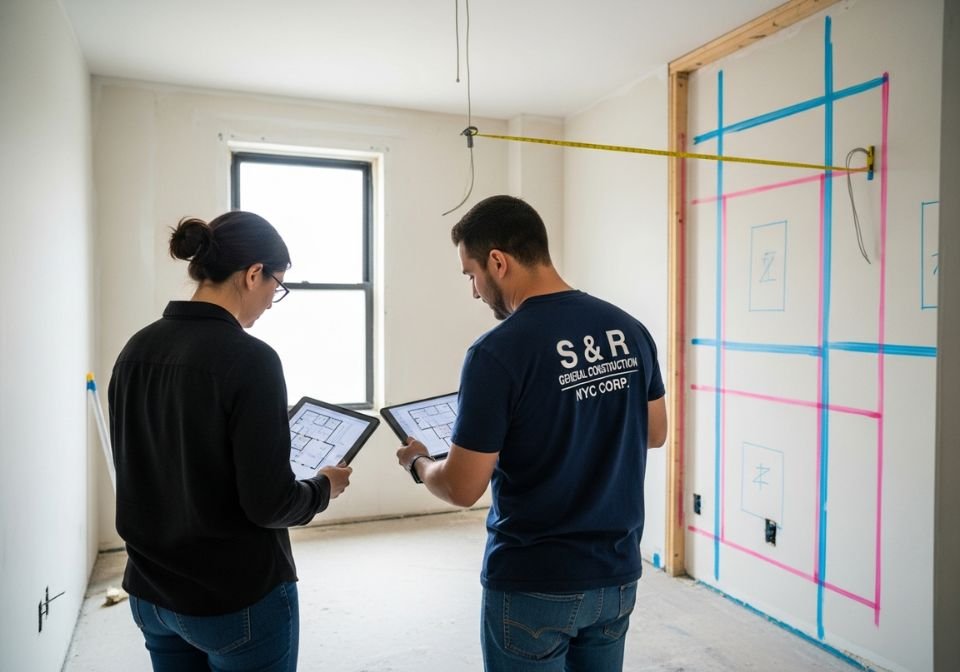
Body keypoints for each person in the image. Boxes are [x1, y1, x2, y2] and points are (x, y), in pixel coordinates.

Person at [396, 195, 667, 672]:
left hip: (534, 581)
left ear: (497, 261)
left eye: (471, 275)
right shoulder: (630, 328)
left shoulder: (495, 353)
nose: (475, 292)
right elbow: (655, 432)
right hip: (616, 576)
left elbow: (462, 486)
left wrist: (420, 464)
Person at [108, 211, 353, 672]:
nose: (271, 301)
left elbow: (157, 459)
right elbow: (270, 503)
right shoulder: (251, 359)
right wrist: (323, 487)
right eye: (276, 287)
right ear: (253, 273)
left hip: (149, 594)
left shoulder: (135, 349)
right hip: (233, 601)